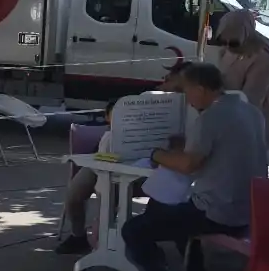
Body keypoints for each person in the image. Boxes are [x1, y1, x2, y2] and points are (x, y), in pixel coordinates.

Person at [121, 62, 266, 271]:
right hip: (252, 209)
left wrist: (158, 154)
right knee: (178, 216)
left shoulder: (210, 117)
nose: (187, 100)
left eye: (187, 92)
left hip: (220, 212)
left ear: (200, 89)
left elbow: (188, 164)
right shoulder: (251, 111)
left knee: (134, 230)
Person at [57, 64, 191, 255]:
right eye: (166, 78)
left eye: (169, 79)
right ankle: (79, 237)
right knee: (75, 194)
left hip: (151, 168)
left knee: (116, 194)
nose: (164, 82)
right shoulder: (147, 99)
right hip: (109, 158)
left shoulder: (190, 110)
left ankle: (112, 244)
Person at [213, 9, 269, 153]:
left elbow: (252, 100)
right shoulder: (226, 51)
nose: (226, 46)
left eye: (233, 43)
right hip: (226, 119)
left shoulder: (263, 57)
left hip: (251, 126)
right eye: (222, 40)